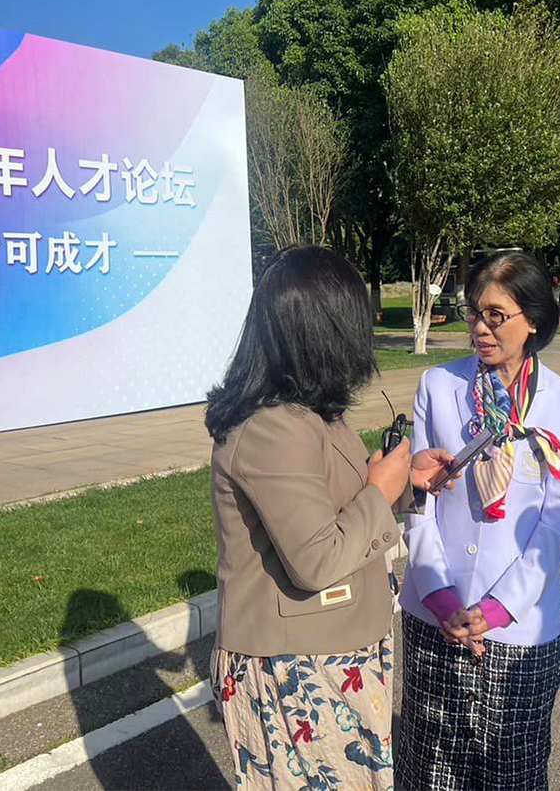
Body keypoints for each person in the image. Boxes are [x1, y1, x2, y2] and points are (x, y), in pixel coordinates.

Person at [206, 246, 456, 790]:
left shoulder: (311, 414)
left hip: (331, 652)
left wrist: (401, 481)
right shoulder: (275, 427)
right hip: (297, 666)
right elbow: (317, 559)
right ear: (321, 330)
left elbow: (337, 508)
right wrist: (380, 488)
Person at [397, 251, 560, 790]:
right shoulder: (438, 388)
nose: (480, 329)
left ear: (533, 320)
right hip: (435, 622)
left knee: (514, 775)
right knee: (430, 772)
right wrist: (439, 597)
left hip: (520, 633)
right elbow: (420, 505)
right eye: (472, 314)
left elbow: (557, 526)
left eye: (495, 315)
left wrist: (496, 609)